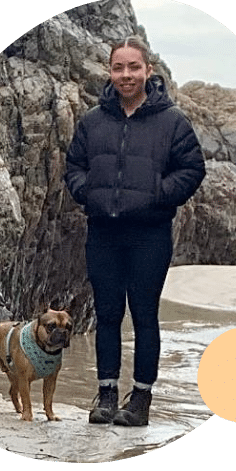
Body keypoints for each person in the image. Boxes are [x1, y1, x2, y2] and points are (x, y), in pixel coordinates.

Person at [65, 35, 206, 426]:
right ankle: (107, 394)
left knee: (145, 315)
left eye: (134, 67)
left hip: (150, 235)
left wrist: (159, 195)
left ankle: (141, 400)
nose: (126, 75)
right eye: (118, 67)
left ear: (148, 71)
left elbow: (193, 169)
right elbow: (73, 166)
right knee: (107, 314)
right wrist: (87, 193)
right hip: (103, 234)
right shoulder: (93, 121)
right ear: (109, 72)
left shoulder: (172, 121)